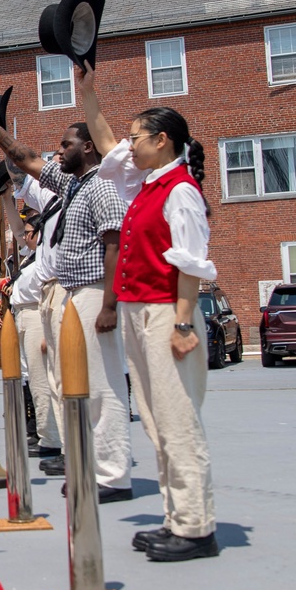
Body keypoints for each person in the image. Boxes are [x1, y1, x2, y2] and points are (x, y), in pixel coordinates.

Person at [77, 63, 219, 561]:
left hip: (164, 313)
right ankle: (176, 517)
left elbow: (191, 265)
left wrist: (183, 323)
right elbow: (107, 142)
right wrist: (88, 94)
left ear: (161, 141)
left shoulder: (179, 190)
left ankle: (196, 526)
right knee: (158, 421)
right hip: (141, 311)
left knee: (178, 420)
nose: (129, 145)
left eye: (138, 137)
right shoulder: (146, 184)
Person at [0, 110, 132, 500]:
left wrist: (110, 304)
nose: (59, 151)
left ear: (89, 147)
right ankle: (87, 463)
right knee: (73, 384)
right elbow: (26, 158)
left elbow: (114, 243)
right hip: (74, 293)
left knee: (100, 386)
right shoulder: (73, 184)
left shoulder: (103, 186)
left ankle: (113, 475)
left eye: (66, 144)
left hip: (96, 291)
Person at [7, 211, 62, 457]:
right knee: (31, 377)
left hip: (37, 314)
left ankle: (51, 439)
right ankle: (41, 431)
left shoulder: (44, 257)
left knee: (42, 380)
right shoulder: (30, 257)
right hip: (22, 315)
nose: (24, 237)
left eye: (28, 233)